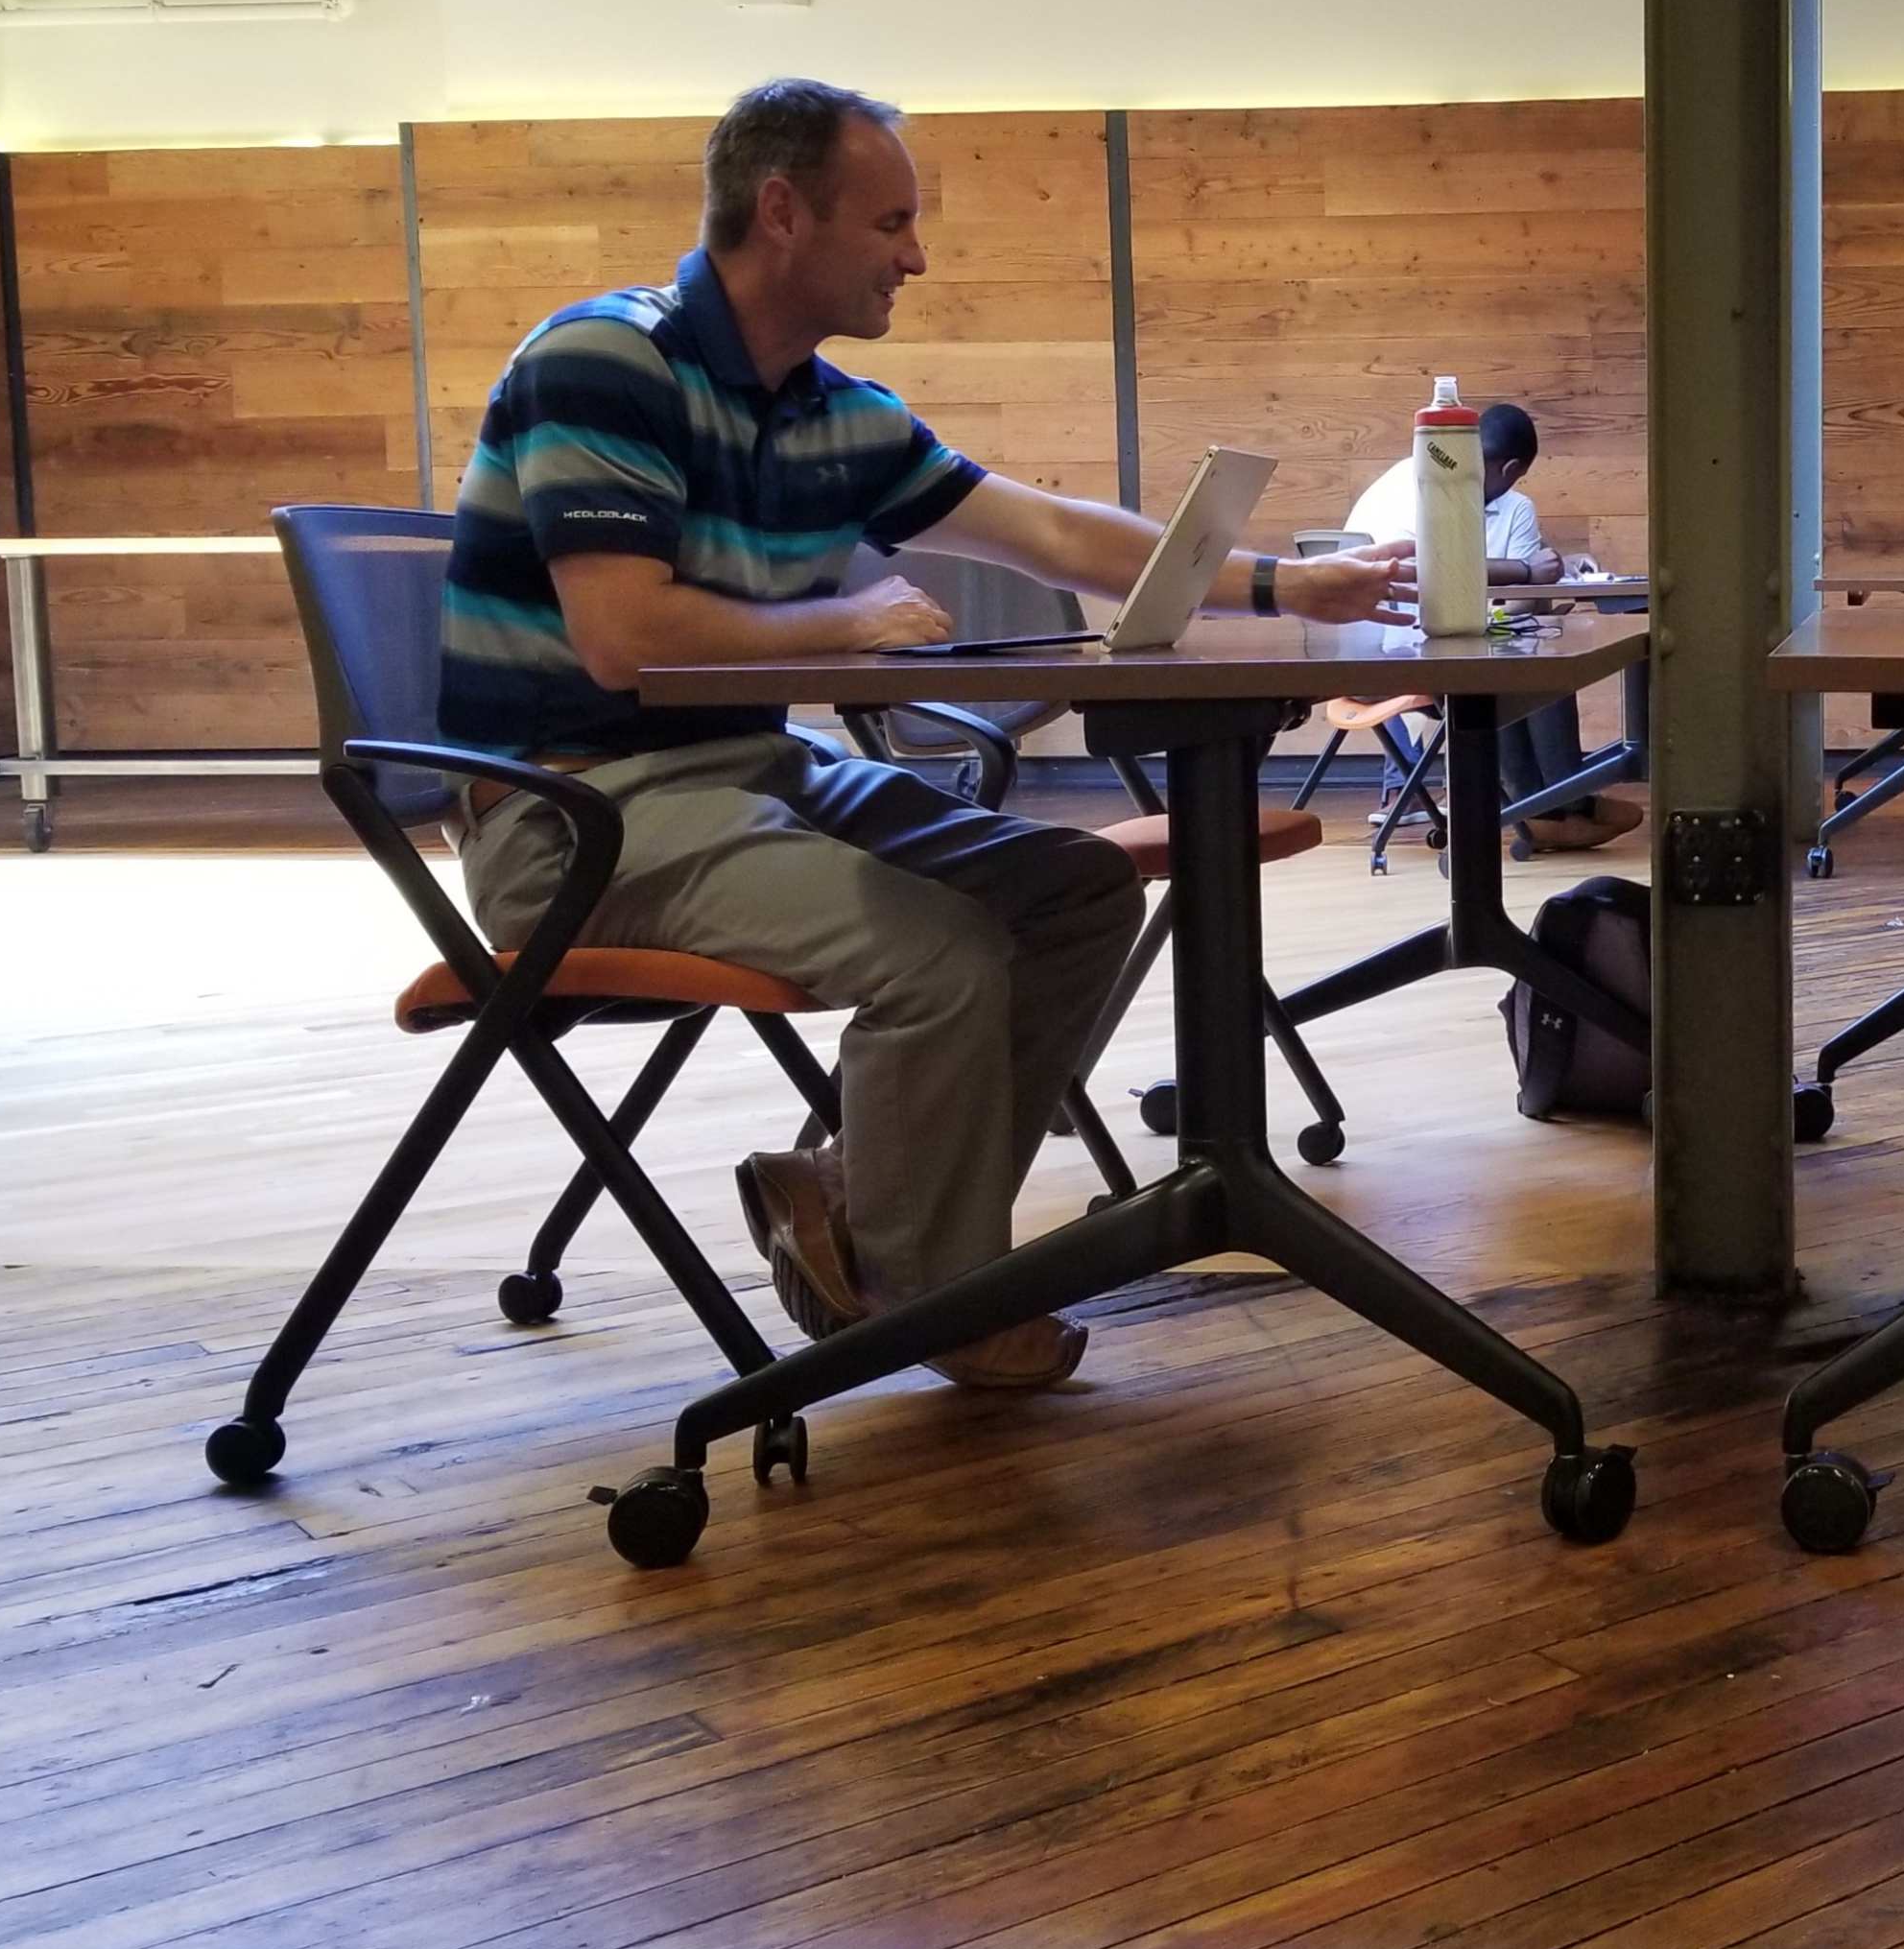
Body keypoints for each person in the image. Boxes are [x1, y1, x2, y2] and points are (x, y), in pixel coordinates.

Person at [440, 78, 1412, 1385]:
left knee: (1071, 893)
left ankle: (853, 1199)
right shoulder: (606, 362)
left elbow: (1053, 530)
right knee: (943, 948)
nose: (918, 255)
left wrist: (1285, 586)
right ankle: (924, 1293)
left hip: (745, 776)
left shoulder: (834, 412)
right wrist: (843, 622)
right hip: (576, 819)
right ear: (782, 212)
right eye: (891, 222)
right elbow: (624, 632)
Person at [1344, 400, 1643, 855]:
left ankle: (1555, 806)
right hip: (1385, 650)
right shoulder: (1420, 485)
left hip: (1411, 640)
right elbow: (1422, 570)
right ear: (1509, 467)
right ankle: (1553, 809)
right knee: (1515, 669)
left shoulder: (1478, 493)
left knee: (1522, 648)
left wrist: (1539, 576)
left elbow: (1525, 588)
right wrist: (1523, 571)